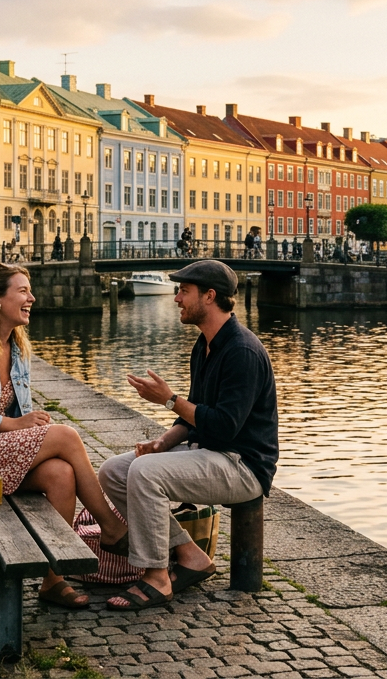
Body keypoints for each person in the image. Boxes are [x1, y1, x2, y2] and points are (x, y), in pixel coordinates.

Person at [0, 263, 130, 610]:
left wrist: (31, 424)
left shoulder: (18, 347)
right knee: (66, 436)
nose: (32, 298)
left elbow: (17, 411)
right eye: (22, 291)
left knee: (61, 474)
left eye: (30, 290)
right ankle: (111, 527)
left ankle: (53, 579)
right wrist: (16, 425)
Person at [98, 260, 278, 610]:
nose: (177, 298)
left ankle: (157, 576)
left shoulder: (242, 351)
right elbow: (196, 414)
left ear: (209, 296)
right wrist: (162, 442)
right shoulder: (205, 344)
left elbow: (223, 425)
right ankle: (189, 554)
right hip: (211, 451)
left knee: (145, 473)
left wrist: (169, 399)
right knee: (114, 471)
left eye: (184, 291)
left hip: (243, 465)